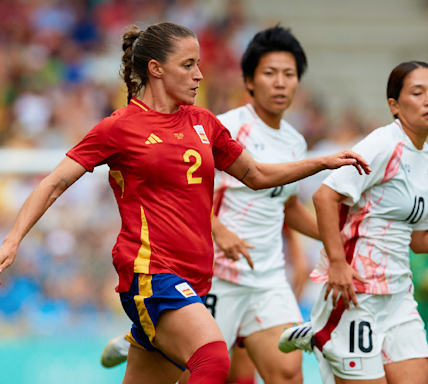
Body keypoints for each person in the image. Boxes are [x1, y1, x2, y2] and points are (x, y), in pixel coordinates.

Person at [0, 22, 370, 384]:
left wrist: (321, 161)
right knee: (214, 359)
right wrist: (11, 241)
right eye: (188, 65)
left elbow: (256, 176)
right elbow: (54, 183)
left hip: (196, 278)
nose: (199, 75)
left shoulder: (204, 122)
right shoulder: (120, 127)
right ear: (156, 69)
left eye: (199, 64)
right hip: (151, 275)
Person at [101, 25, 324, 384]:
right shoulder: (224, 125)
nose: (281, 83)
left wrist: (333, 238)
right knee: (212, 366)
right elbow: (183, 191)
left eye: (289, 74)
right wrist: (219, 231)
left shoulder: (295, 142)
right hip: (217, 271)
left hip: (266, 276)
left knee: (285, 372)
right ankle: (141, 338)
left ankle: (142, 337)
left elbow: (286, 206)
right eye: (270, 73)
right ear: (249, 81)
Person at [278, 61, 428, 384]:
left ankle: (322, 331)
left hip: (399, 299)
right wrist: (337, 263)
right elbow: (325, 196)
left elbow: (420, 240)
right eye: (417, 92)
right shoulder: (383, 144)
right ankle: (324, 330)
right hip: (356, 297)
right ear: (394, 105)